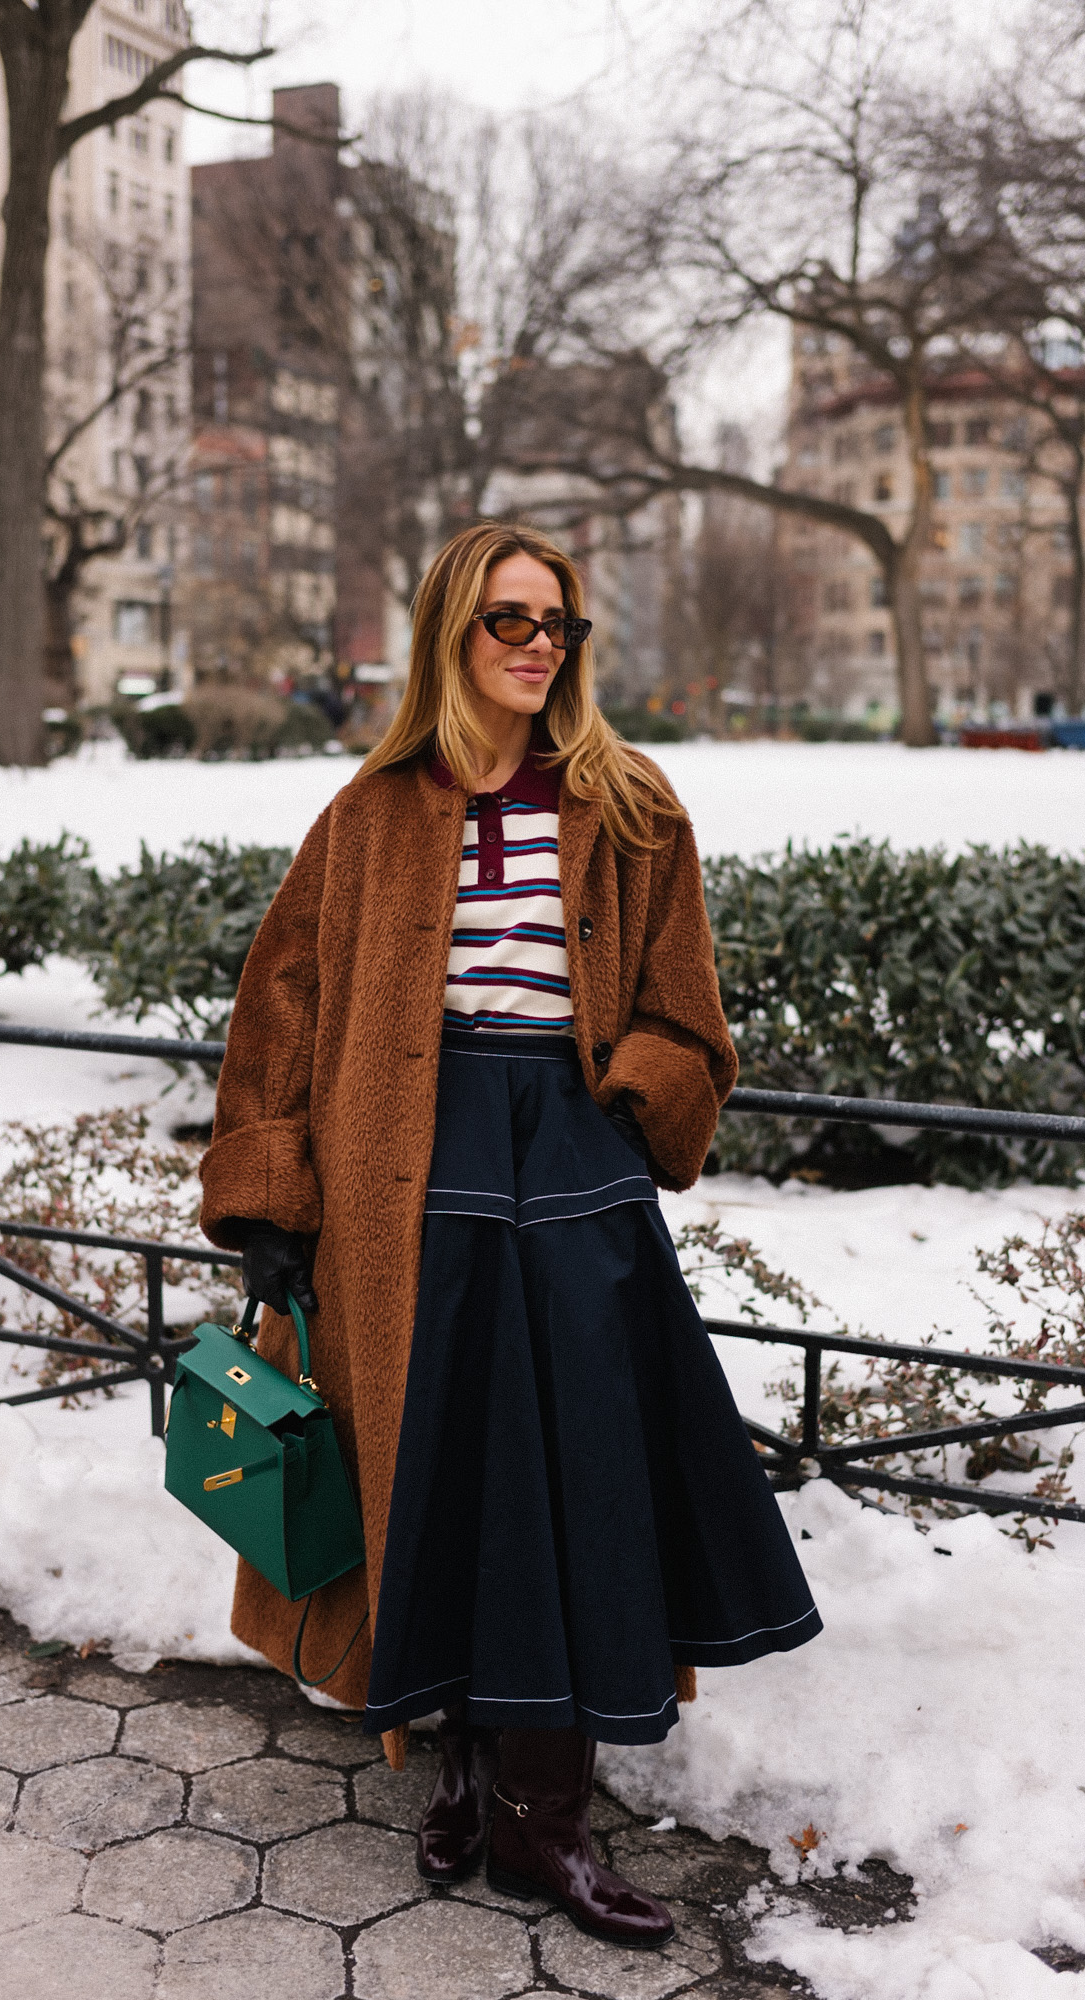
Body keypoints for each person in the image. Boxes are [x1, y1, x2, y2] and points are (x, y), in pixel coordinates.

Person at [200, 521, 821, 1950]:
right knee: (448, 1475)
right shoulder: (366, 819)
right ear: (447, 639)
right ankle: (469, 1780)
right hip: (401, 1172)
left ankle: (549, 1821)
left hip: (575, 1169)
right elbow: (278, 1017)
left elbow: (689, 1019)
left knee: (579, 1484)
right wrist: (272, 1203)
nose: (540, 646)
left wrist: (633, 1094)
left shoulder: (631, 804)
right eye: (509, 622)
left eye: (560, 625)